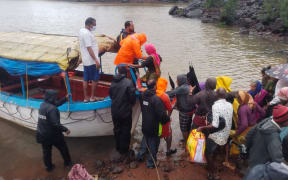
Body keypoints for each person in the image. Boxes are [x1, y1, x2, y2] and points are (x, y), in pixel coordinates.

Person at [197, 88, 233, 180]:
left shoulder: (215, 106)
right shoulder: (230, 104)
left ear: (216, 95)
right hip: (226, 133)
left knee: (207, 153)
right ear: (225, 96)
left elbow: (215, 125)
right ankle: (212, 166)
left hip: (218, 134)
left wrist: (202, 127)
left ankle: (213, 174)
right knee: (215, 149)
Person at [137, 79, 170, 168]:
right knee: (153, 144)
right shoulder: (156, 99)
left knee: (145, 139)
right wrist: (167, 119)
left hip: (145, 124)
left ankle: (140, 156)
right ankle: (151, 163)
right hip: (154, 126)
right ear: (155, 86)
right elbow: (162, 115)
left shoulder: (142, 95)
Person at [36, 90, 72, 172]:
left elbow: (56, 104)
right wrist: (65, 129)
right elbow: (55, 124)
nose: (56, 98)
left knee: (46, 152)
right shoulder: (52, 109)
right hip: (53, 135)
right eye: (54, 97)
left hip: (41, 134)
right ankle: (68, 163)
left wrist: (65, 98)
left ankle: (49, 168)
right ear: (51, 98)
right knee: (63, 148)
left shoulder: (43, 105)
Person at [246, 105, 288, 169]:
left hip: (253, 158)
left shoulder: (266, 121)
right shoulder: (273, 137)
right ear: (284, 121)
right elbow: (278, 159)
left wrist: (249, 150)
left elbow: (249, 135)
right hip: (261, 168)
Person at [109, 66, 136, 157]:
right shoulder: (129, 82)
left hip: (115, 111)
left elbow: (111, 95)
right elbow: (132, 97)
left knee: (117, 129)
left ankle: (118, 147)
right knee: (126, 129)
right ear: (126, 73)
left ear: (118, 72)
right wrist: (132, 103)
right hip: (125, 111)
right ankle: (124, 150)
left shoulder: (113, 82)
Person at [79, 17, 100, 103]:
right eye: (94, 24)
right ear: (90, 24)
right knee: (95, 79)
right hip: (91, 61)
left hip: (86, 60)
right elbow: (89, 48)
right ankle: (92, 97)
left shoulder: (81, 31)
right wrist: (96, 60)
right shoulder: (87, 34)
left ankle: (86, 98)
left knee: (86, 79)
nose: (95, 26)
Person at [167, 75, 193, 143]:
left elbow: (170, 93)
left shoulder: (183, 88)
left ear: (181, 81)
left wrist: (159, 93)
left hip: (185, 111)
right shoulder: (186, 86)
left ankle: (186, 143)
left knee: (183, 128)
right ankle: (187, 139)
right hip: (189, 109)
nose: (176, 81)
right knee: (188, 126)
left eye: (177, 80)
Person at [156, 77, 177, 156]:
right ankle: (168, 150)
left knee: (156, 135)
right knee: (169, 134)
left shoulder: (151, 93)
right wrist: (168, 118)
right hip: (163, 119)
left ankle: (154, 151)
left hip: (154, 119)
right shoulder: (165, 96)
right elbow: (170, 108)